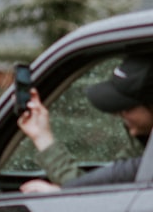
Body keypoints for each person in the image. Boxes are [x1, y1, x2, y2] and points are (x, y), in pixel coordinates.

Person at [18, 55, 153, 193]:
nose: (117, 114)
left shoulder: (143, 163)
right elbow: (95, 189)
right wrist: (42, 137)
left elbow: (115, 179)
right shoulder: (142, 146)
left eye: (127, 108)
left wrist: (61, 193)